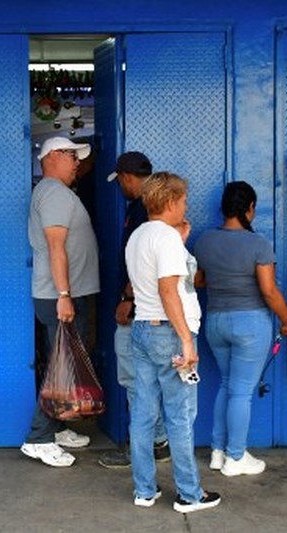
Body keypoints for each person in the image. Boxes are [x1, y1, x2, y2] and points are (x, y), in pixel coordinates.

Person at [125, 172, 221, 513]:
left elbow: (152, 285)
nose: (186, 205)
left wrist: (179, 241)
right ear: (170, 202)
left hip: (142, 330)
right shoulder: (164, 238)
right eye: (183, 201)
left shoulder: (139, 236)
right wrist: (187, 342)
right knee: (180, 417)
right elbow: (169, 291)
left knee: (143, 414)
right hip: (169, 333)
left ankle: (144, 490)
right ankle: (189, 495)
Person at [193, 181, 287, 477]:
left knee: (227, 385)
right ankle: (236, 457)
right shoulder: (258, 244)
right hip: (250, 324)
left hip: (215, 322)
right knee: (241, 393)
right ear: (249, 209)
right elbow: (269, 291)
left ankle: (217, 452)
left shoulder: (204, 241)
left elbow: (199, 281)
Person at [21, 136, 100, 467]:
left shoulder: (57, 192)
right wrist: (64, 295)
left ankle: (56, 427)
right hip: (60, 296)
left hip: (66, 293)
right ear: (52, 157)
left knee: (67, 362)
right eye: (71, 155)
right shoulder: (53, 192)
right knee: (61, 367)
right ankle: (38, 438)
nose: (76, 161)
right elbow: (56, 246)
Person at [98, 152, 171, 468]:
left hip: (139, 310)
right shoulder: (150, 207)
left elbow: (146, 263)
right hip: (150, 310)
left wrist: (127, 298)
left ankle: (142, 448)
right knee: (144, 381)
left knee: (134, 381)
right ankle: (157, 442)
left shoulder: (144, 210)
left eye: (121, 182)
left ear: (127, 177)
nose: (121, 188)